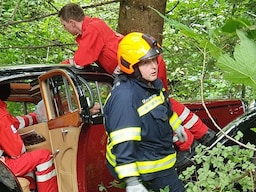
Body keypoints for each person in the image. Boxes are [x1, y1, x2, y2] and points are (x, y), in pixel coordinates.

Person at [57, 2, 215, 166]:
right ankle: (202, 133)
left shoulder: (91, 30)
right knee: (162, 101)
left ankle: (189, 145)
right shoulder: (95, 25)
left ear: (72, 22)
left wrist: (65, 63)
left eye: (64, 25)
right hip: (143, 64)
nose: (65, 29)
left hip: (141, 66)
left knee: (155, 105)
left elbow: (80, 61)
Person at [104, 32, 187, 192]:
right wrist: (131, 181)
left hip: (153, 156)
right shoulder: (125, 97)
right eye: (146, 62)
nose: (154, 66)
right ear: (131, 66)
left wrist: (175, 124)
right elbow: (124, 145)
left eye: (154, 60)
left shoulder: (150, 83)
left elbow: (163, 107)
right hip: (143, 163)